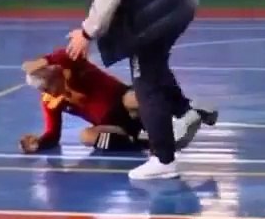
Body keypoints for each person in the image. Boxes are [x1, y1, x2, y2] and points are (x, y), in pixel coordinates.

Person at [65, 0, 205, 180]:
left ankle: (163, 160)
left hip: (152, 20)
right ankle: (184, 112)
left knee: (145, 85)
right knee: (154, 65)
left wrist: (87, 32)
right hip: (179, 5)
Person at [19, 47, 218, 154]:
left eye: (49, 86)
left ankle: (190, 110)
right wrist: (40, 142)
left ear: (54, 74)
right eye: (44, 91)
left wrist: (39, 62)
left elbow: (62, 54)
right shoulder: (51, 101)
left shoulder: (72, 67)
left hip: (123, 101)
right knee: (86, 136)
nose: (50, 93)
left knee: (135, 98)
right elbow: (53, 134)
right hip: (112, 127)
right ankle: (144, 142)